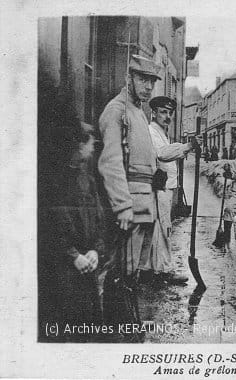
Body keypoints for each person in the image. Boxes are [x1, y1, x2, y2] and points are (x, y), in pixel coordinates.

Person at [38, 87, 107, 341]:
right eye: (89, 145)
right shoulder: (53, 182)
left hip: (87, 267)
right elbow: (49, 227)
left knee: (89, 327)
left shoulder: (88, 180)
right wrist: (73, 256)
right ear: (78, 145)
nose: (91, 151)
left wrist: (95, 252)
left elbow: (98, 222)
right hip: (63, 272)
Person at [97, 54, 162, 280]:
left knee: (134, 273)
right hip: (129, 208)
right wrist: (122, 205)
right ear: (128, 78)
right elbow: (111, 162)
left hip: (146, 204)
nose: (149, 86)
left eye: (152, 81)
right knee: (122, 274)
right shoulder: (117, 111)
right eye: (143, 79)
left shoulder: (140, 114)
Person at [143, 96, 200, 286]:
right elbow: (163, 153)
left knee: (160, 228)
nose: (167, 116)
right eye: (163, 112)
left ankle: (151, 269)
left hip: (166, 186)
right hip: (159, 187)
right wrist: (188, 146)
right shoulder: (152, 131)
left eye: (170, 113)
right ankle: (163, 270)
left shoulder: (162, 133)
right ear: (154, 113)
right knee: (162, 228)